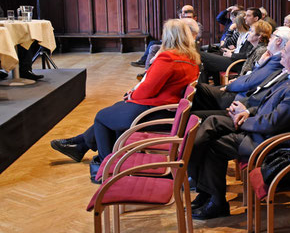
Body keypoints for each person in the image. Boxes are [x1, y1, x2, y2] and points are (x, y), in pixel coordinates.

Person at [188, 35, 290, 220]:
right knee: (211, 124)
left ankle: (211, 196)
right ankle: (206, 191)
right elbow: (267, 103)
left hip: (269, 143)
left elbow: (274, 123)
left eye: (286, 52)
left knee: (212, 144)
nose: (281, 55)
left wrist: (243, 121)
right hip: (259, 129)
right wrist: (247, 112)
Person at [50, 19, 200, 179]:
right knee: (115, 109)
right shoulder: (191, 58)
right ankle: (82, 146)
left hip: (155, 112)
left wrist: (132, 95)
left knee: (101, 117)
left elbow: (148, 89)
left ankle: (106, 168)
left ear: (168, 37)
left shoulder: (169, 58)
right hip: (169, 110)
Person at [191, 27, 290, 116]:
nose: (270, 38)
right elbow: (253, 77)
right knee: (198, 91)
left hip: (240, 97)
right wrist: (258, 64)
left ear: (278, 41)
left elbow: (251, 82)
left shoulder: (277, 60)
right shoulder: (271, 56)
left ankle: (182, 123)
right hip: (240, 91)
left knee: (198, 91)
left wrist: (228, 87)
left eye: (273, 36)